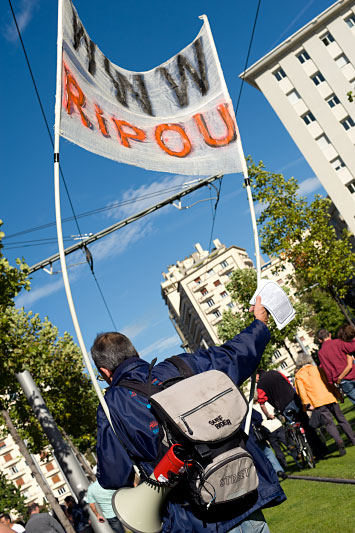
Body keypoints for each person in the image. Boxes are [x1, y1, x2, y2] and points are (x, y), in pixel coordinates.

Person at [92, 296, 286, 533]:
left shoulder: (110, 408)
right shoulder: (182, 365)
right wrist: (259, 323)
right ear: (135, 352)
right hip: (240, 488)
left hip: (193, 515)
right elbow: (234, 354)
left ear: (104, 372)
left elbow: (114, 477)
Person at [256, 368, 327, 460]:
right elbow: (288, 381)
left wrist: (268, 415)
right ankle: (321, 449)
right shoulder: (275, 372)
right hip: (294, 399)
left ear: (257, 375)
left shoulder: (261, 384)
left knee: (294, 427)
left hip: (284, 406)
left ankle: (307, 449)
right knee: (307, 425)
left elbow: (262, 403)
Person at [294, 354, 355, 455]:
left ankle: (339, 441)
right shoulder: (317, 369)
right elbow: (327, 382)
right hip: (329, 397)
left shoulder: (299, 375)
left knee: (329, 423)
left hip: (317, 402)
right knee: (341, 419)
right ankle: (353, 439)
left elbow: (302, 391)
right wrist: (337, 394)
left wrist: (307, 404)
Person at [317, 328, 355, 406]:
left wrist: (331, 382)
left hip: (343, 381)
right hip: (353, 372)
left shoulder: (321, 353)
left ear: (320, 340)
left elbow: (327, 370)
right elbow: (352, 348)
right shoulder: (339, 342)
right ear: (330, 334)